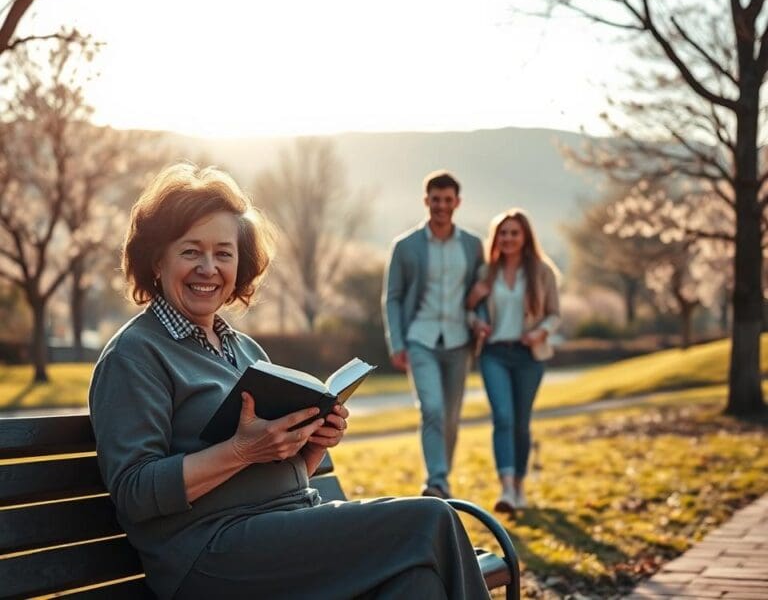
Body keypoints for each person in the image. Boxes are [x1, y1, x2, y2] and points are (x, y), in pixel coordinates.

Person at [89, 163, 490, 600]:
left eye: (223, 253)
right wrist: (241, 450)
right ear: (156, 259)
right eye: (191, 252)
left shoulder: (244, 349)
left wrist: (311, 443)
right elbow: (134, 493)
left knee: (417, 585)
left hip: (286, 530)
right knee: (432, 519)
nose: (208, 267)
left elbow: (280, 473)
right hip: (210, 553)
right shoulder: (135, 355)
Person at [382, 170, 484, 499]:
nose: (441, 206)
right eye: (435, 199)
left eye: (447, 200)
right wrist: (397, 342)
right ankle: (436, 481)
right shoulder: (405, 246)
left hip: (459, 341)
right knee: (433, 409)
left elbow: (480, 291)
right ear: (426, 200)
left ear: (457, 202)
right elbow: (393, 297)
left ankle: (442, 479)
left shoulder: (472, 245)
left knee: (451, 417)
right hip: (420, 338)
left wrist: (480, 321)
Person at [467, 209, 560, 513]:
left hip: (528, 355)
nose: (508, 238)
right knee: (503, 418)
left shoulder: (542, 272)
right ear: (496, 238)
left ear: (525, 237)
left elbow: (554, 314)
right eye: (503, 233)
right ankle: (506, 488)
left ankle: (520, 485)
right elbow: (470, 312)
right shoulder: (486, 272)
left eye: (514, 233)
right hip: (494, 353)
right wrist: (476, 320)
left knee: (521, 422)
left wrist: (540, 333)